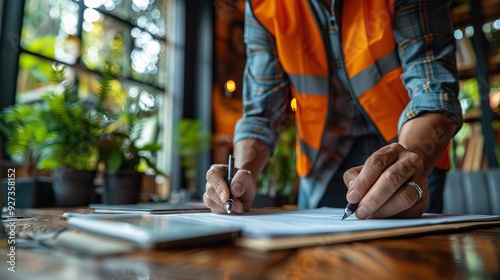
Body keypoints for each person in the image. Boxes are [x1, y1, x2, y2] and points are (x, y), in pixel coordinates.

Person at [204, 0, 463, 219]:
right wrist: (240, 177)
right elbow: (261, 114)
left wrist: (411, 158)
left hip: (410, 149)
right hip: (321, 164)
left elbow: (433, 87)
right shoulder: (263, 6)